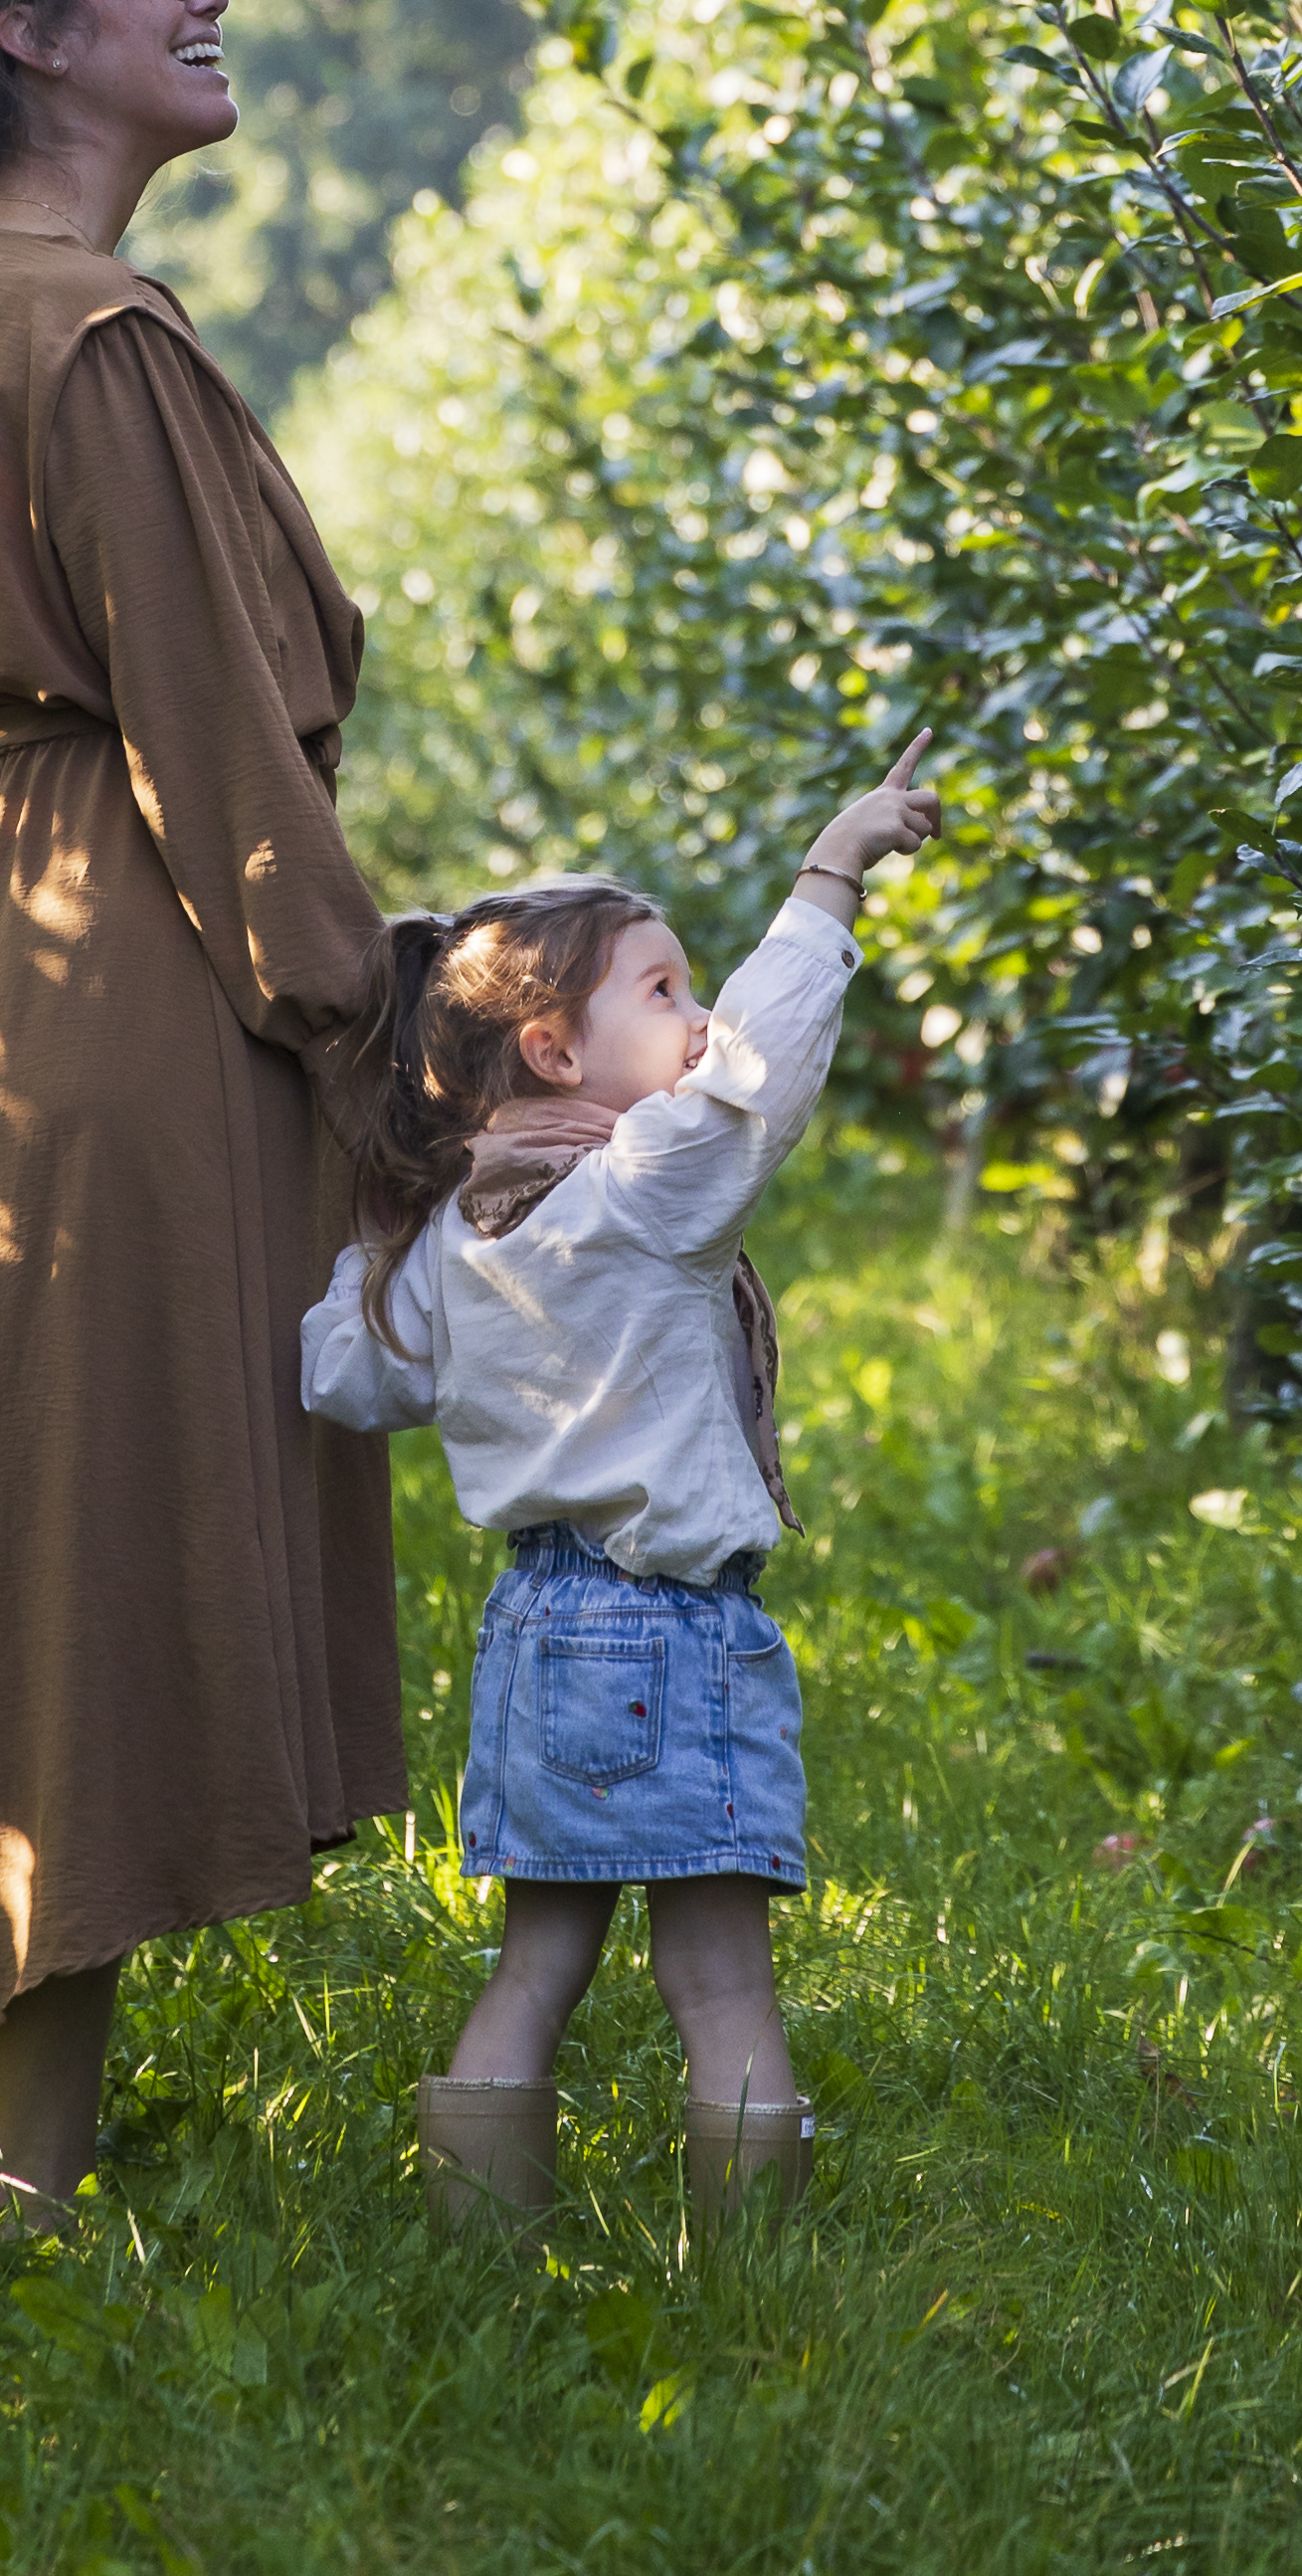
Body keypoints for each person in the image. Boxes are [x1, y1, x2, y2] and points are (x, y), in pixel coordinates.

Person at [0, 0, 401, 2238]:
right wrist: (373, 1032)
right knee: (87, 1561)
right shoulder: (96, 337)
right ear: (31, 32)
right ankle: (14, 2199)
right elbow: (216, 747)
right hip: (133, 970)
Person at [297, 735, 943, 2231]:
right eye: (663, 991)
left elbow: (350, 1377)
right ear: (553, 1053)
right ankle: (752, 2272)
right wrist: (831, 874)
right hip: (673, 1629)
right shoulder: (645, 1185)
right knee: (717, 1976)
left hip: (535, 1633)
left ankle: (474, 2256)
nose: (700, 1018)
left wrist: (371, 1236)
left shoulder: (453, 1233)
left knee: (538, 1963)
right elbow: (760, 1079)